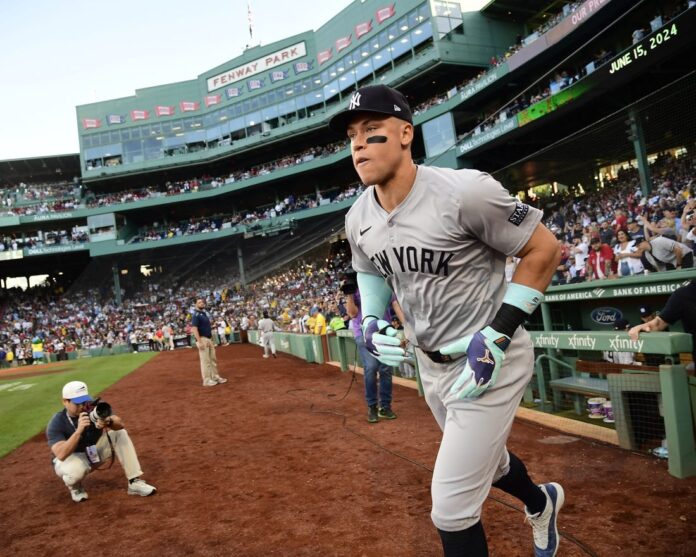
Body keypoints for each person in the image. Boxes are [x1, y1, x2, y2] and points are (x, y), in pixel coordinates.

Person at [330, 84, 563, 557]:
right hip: (431, 365)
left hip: (491, 357)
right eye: (352, 136)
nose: (358, 144)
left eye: (371, 130)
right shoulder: (358, 216)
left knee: (451, 508)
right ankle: (541, 503)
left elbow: (544, 248)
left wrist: (498, 333)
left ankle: (536, 506)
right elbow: (368, 268)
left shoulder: (465, 191)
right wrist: (371, 319)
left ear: (405, 134)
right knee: (492, 465)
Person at [46, 380, 156, 502]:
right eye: (77, 403)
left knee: (119, 433)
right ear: (65, 401)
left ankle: (134, 482)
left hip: (92, 454)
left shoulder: (94, 408)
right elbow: (61, 454)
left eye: (84, 401)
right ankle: (76, 488)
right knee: (74, 472)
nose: (82, 406)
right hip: (70, 460)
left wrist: (108, 421)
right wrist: (78, 431)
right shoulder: (57, 422)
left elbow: (120, 424)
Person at [343, 271, 397, 423]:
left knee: (386, 369)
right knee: (371, 367)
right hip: (363, 332)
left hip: (383, 330)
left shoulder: (383, 283)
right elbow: (352, 313)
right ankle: (372, 406)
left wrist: (407, 326)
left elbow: (395, 304)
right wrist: (349, 294)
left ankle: (385, 407)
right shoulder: (355, 288)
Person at [629, 279, 696, 368]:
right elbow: (659, 323)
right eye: (644, 317)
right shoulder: (684, 294)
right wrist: (644, 326)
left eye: (648, 316)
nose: (646, 318)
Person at [191, 298, 228, 387]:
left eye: (202, 302)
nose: (202, 303)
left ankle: (215, 377)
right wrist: (199, 342)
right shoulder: (196, 315)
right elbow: (194, 329)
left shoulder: (203, 314)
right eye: (199, 302)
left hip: (208, 339)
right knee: (206, 361)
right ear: (195, 304)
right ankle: (207, 380)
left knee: (212, 360)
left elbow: (204, 327)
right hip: (202, 339)